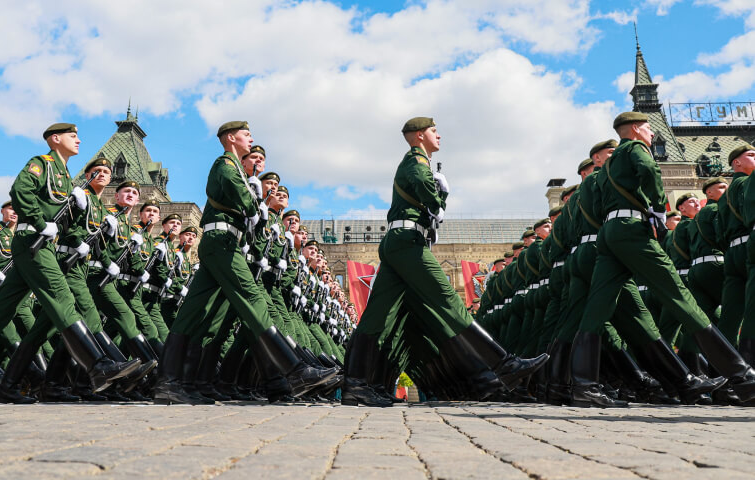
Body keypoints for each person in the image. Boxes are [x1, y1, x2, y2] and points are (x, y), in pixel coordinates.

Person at [341, 117, 547, 407]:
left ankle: (356, 385)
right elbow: (431, 199)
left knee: (378, 315)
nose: (439, 136)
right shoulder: (416, 162)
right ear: (419, 135)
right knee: (449, 300)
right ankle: (504, 365)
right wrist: (441, 194)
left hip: (400, 241)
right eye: (434, 131)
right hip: (408, 242)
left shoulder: (415, 162)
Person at [571, 112, 755, 407]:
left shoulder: (606, 168)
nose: (652, 133)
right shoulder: (634, 149)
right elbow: (650, 172)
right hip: (633, 231)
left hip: (609, 233)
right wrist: (657, 209)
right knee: (679, 296)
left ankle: (583, 384)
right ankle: (742, 375)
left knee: (598, 306)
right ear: (634, 129)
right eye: (647, 127)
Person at [0, 123, 138, 404]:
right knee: (62, 297)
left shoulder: (64, 176)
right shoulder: (43, 164)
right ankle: (97, 365)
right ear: (55, 139)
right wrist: (38, 221)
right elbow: (20, 190)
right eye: (73, 136)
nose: (79, 140)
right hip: (32, 241)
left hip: (38, 244)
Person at [151, 121, 336, 405]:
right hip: (222, 241)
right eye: (246, 134)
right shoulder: (225, 165)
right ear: (230, 138)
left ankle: (172, 381)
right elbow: (248, 206)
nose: (251, 138)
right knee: (251, 297)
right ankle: (294, 370)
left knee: (194, 313)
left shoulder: (235, 169)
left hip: (224, 242)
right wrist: (258, 202)